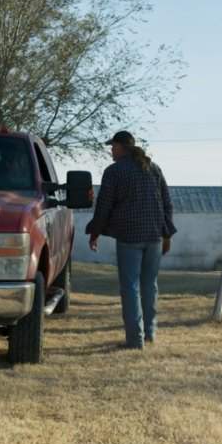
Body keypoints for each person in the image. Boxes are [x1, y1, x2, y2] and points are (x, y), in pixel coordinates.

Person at [86, 131, 176, 349]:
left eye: (112, 147)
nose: (110, 150)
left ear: (121, 147)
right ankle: (150, 334)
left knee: (130, 287)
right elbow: (166, 204)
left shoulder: (114, 171)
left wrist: (95, 231)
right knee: (149, 285)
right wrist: (167, 234)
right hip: (154, 235)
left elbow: (104, 205)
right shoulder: (153, 169)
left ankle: (135, 340)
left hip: (129, 237)